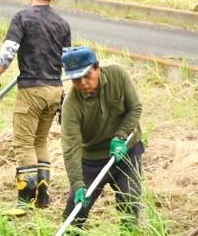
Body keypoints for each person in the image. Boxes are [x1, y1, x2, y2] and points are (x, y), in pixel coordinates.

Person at [0, 0, 73, 210]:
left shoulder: (22, 18)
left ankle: (24, 201)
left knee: (24, 144)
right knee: (40, 141)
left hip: (31, 90)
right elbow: (67, 59)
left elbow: (8, 52)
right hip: (55, 90)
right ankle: (42, 197)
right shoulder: (62, 24)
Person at [58, 47, 145, 225]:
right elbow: (71, 146)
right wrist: (77, 183)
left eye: (86, 75)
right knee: (76, 209)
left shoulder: (117, 75)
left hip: (126, 151)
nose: (82, 83)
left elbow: (135, 107)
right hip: (92, 159)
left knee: (130, 201)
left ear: (97, 67)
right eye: (76, 79)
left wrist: (121, 136)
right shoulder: (71, 104)